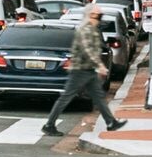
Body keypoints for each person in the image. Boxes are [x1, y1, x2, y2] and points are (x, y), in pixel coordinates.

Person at [40, 17, 122, 148]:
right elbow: (88, 51)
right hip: (80, 70)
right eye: (95, 15)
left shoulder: (90, 30)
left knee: (98, 97)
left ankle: (111, 122)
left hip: (88, 70)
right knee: (66, 97)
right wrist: (100, 65)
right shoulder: (85, 31)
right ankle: (49, 125)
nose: (98, 18)